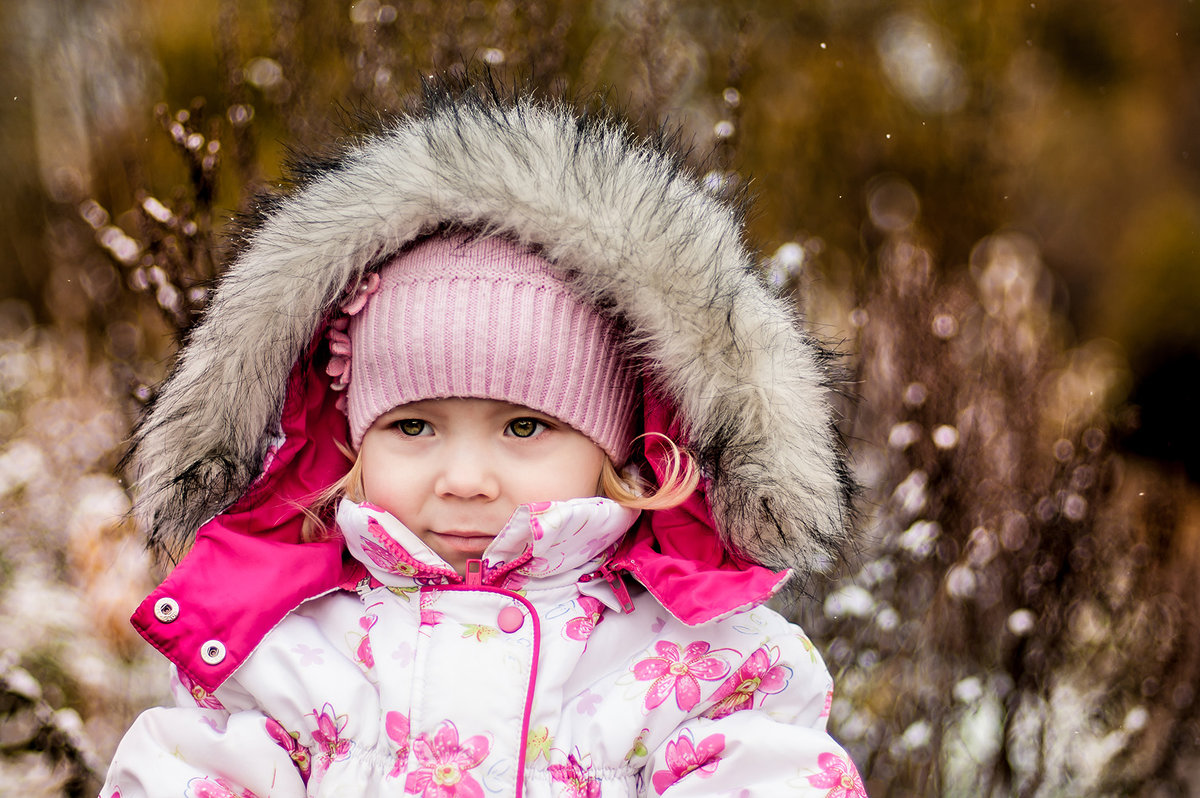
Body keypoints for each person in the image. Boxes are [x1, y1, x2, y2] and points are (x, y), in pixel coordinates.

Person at [103, 79, 865, 797]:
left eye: (525, 427)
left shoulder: (699, 659)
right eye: (413, 426)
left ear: (621, 448)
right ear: (349, 444)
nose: (464, 478)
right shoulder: (285, 650)